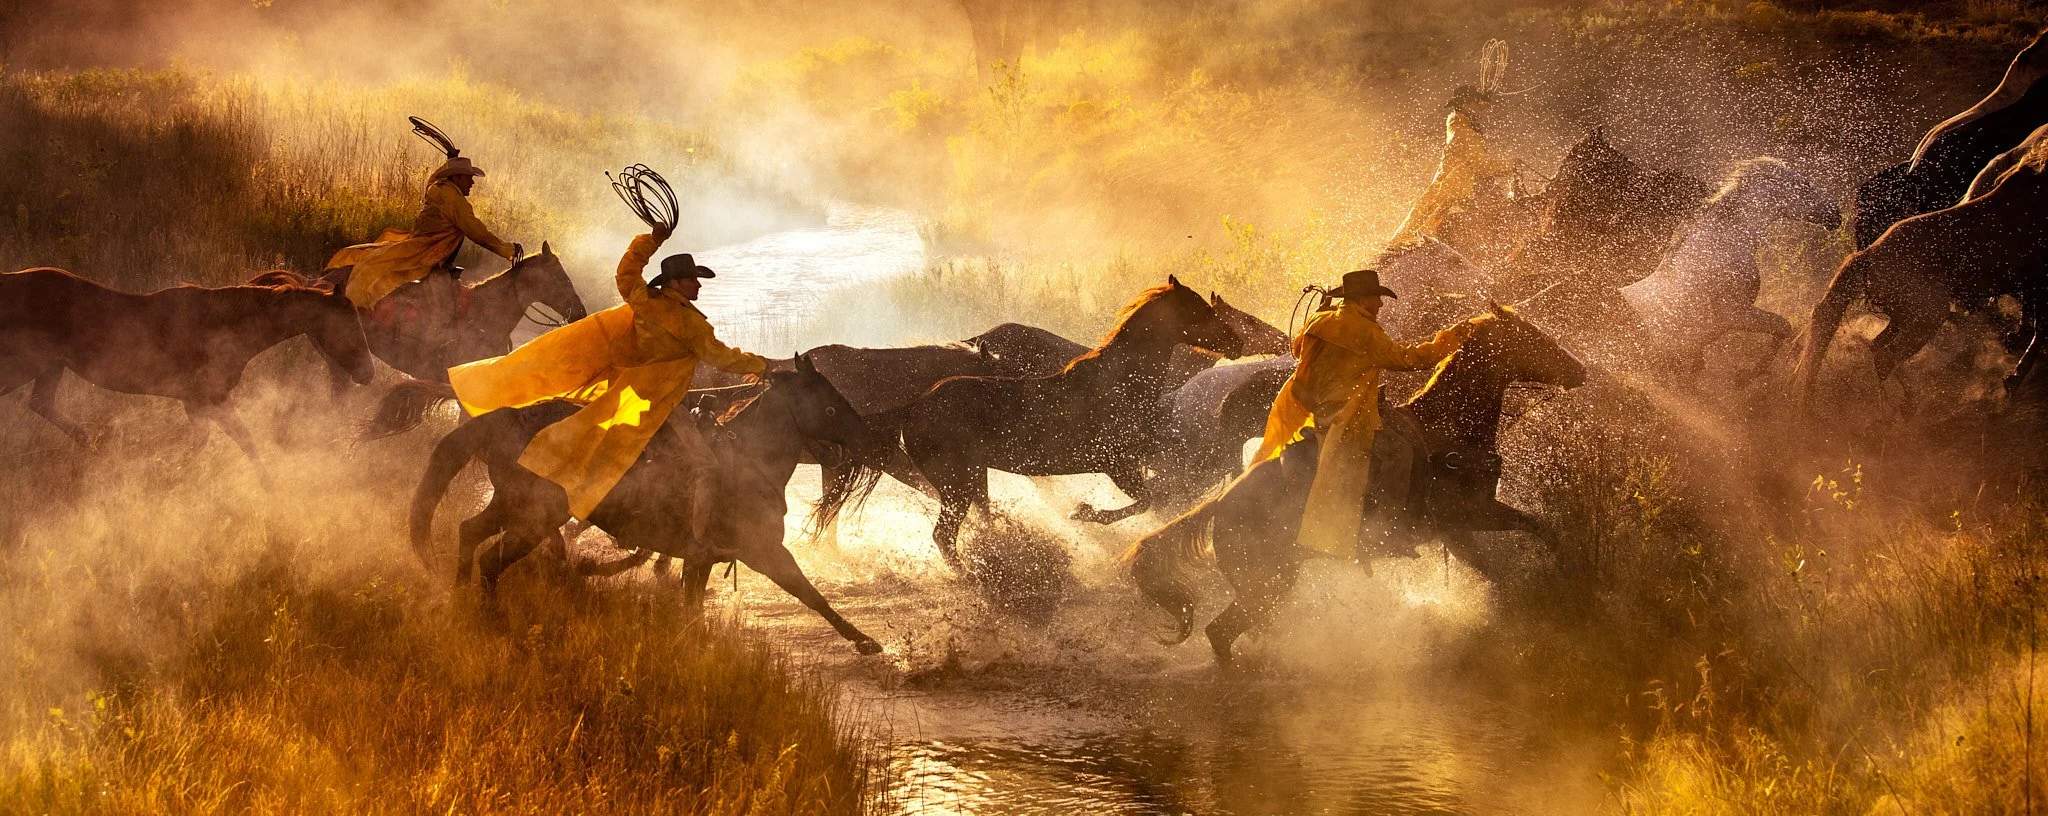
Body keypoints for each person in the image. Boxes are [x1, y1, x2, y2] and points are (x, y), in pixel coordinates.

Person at [448, 227, 767, 544]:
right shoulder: (690, 323)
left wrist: (652, 240)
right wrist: (764, 365)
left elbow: (627, 271)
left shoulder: (646, 301)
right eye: (691, 279)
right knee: (707, 465)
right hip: (656, 405)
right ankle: (702, 541)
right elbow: (724, 358)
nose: (698, 284)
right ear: (676, 284)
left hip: (623, 393)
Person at [1254, 269, 1479, 558]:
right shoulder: (1365, 331)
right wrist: (1448, 340)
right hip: (1348, 415)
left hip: (1318, 408)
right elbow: (1407, 359)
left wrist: (1326, 309)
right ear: (1363, 300)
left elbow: (1298, 348)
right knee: (1399, 452)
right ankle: (1388, 534)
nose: (1381, 305)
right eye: (1377, 299)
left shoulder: (1321, 320)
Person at [326, 154, 522, 314]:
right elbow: (478, 233)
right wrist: (508, 250)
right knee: (441, 297)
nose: (472, 182)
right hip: (428, 254)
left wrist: (448, 162)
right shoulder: (456, 201)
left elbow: (432, 178)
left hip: (417, 245)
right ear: (456, 178)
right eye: (467, 177)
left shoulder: (437, 188)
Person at [1385, 85, 1518, 249]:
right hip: (1455, 189)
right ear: (1466, 104)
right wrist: (1512, 165)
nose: (1479, 109)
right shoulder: (1464, 130)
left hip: (1457, 187)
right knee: (1424, 231)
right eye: (1475, 104)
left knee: (1419, 223)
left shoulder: (1461, 123)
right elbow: (1482, 166)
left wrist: (1484, 98)